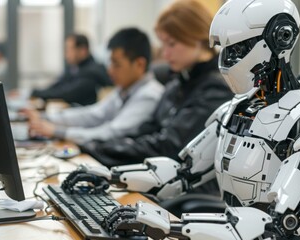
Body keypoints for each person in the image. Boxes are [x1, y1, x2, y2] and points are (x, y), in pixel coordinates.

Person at [64, 0, 300, 239]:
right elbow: (183, 173)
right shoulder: (237, 109)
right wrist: (111, 177)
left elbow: (278, 227)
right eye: (225, 50)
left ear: (279, 39)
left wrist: (171, 226)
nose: (228, 59)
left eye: (238, 49)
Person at [81, 0, 234, 167]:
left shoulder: (216, 88)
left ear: (197, 37)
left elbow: (170, 146)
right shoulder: (177, 83)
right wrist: (99, 146)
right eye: (163, 44)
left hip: (188, 188)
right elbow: (147, 130)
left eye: (172, 44)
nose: (165, 53)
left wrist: (99, 149)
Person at [24, 28, 164, 144]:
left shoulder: (149, 95)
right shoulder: (125, 89)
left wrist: (57, 131)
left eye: (116, 64)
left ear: (139, 64)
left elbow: (112, 133)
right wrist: (46, 118)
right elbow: (94, 115)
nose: (110, 70)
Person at [31, 33, 112, 106]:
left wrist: (36, 93)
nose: (66, 54)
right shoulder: (73, 68)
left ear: (83, 50)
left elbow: (67, 93)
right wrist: (34, 93)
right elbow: (57, 85)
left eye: (69, 49)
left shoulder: (92, 72)